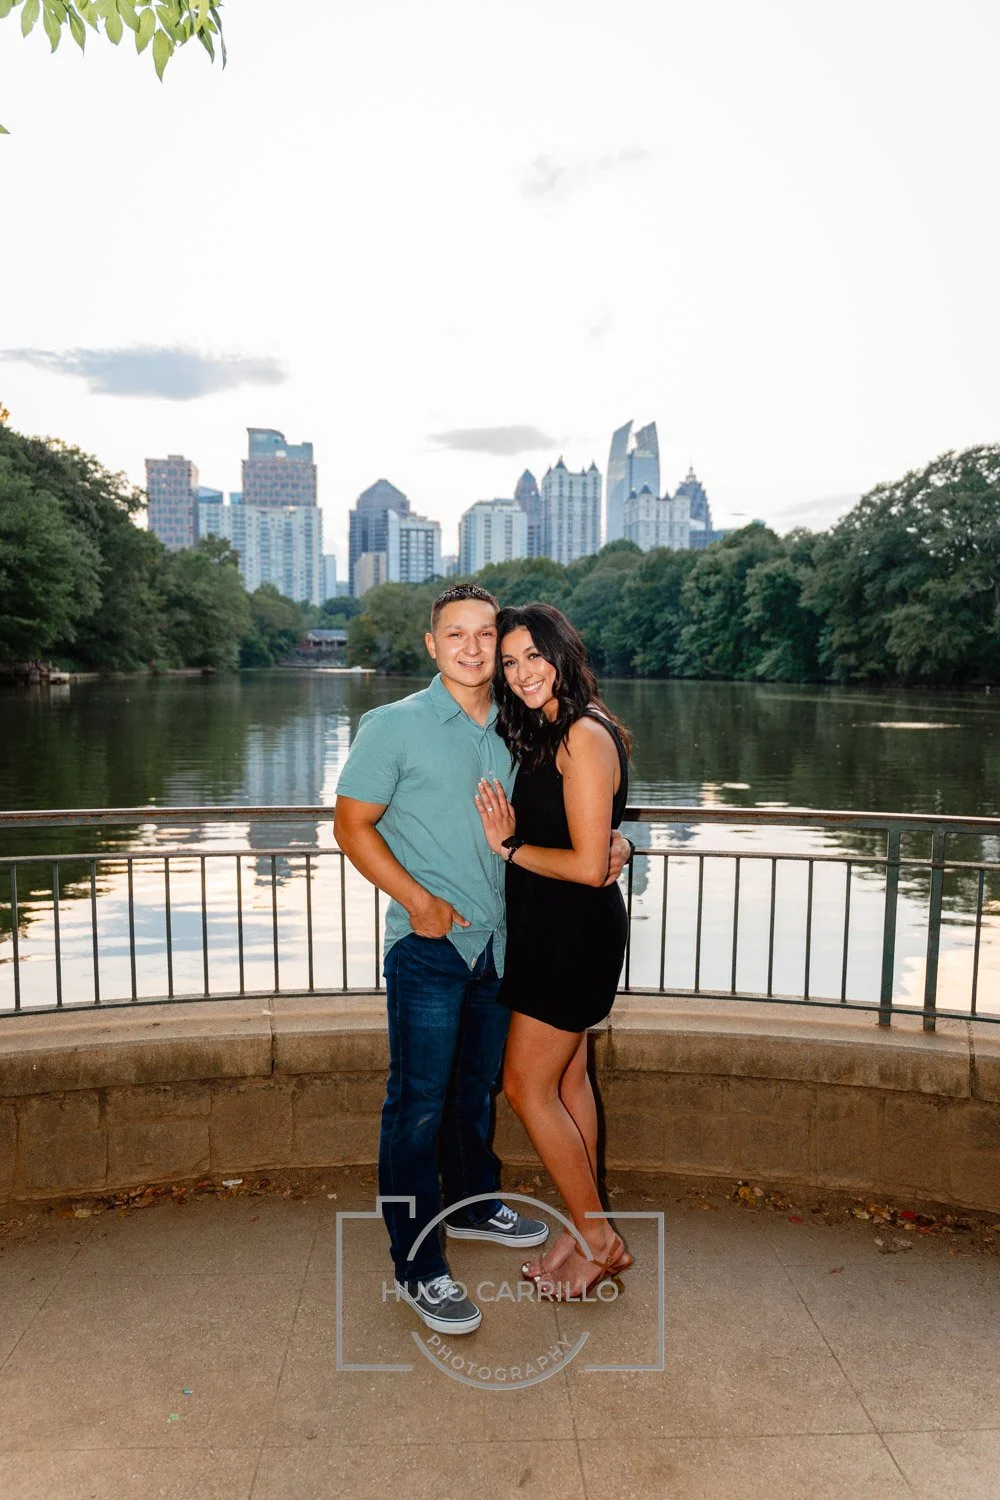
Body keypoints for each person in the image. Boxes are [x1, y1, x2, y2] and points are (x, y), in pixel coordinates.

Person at [334, 584, 632, 1337]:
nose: (474, 649)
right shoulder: (392, 725)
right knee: (417, 1106)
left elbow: (575, 812)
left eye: (487, 636)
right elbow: (350, 827)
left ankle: (474, 1202)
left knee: (477, 1092)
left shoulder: (521, 723)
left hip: (515, 944)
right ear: (432, 646)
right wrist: (418, 902)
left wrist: (617, 847)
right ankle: (419, 1263)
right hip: (432, 945)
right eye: (456, 636)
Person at [474, 603, 634, 1301]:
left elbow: (587, 864)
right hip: (549, 929)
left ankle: (601, 1243)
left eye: (533, 655)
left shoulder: (583, 736)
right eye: (510, 662)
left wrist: (509, 848)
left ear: (562, 651)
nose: (522, 672)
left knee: (525, 1086)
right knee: (569, 1085)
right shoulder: (549, 730)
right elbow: (598, 845)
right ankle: (581, 1225)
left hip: (573, 937)